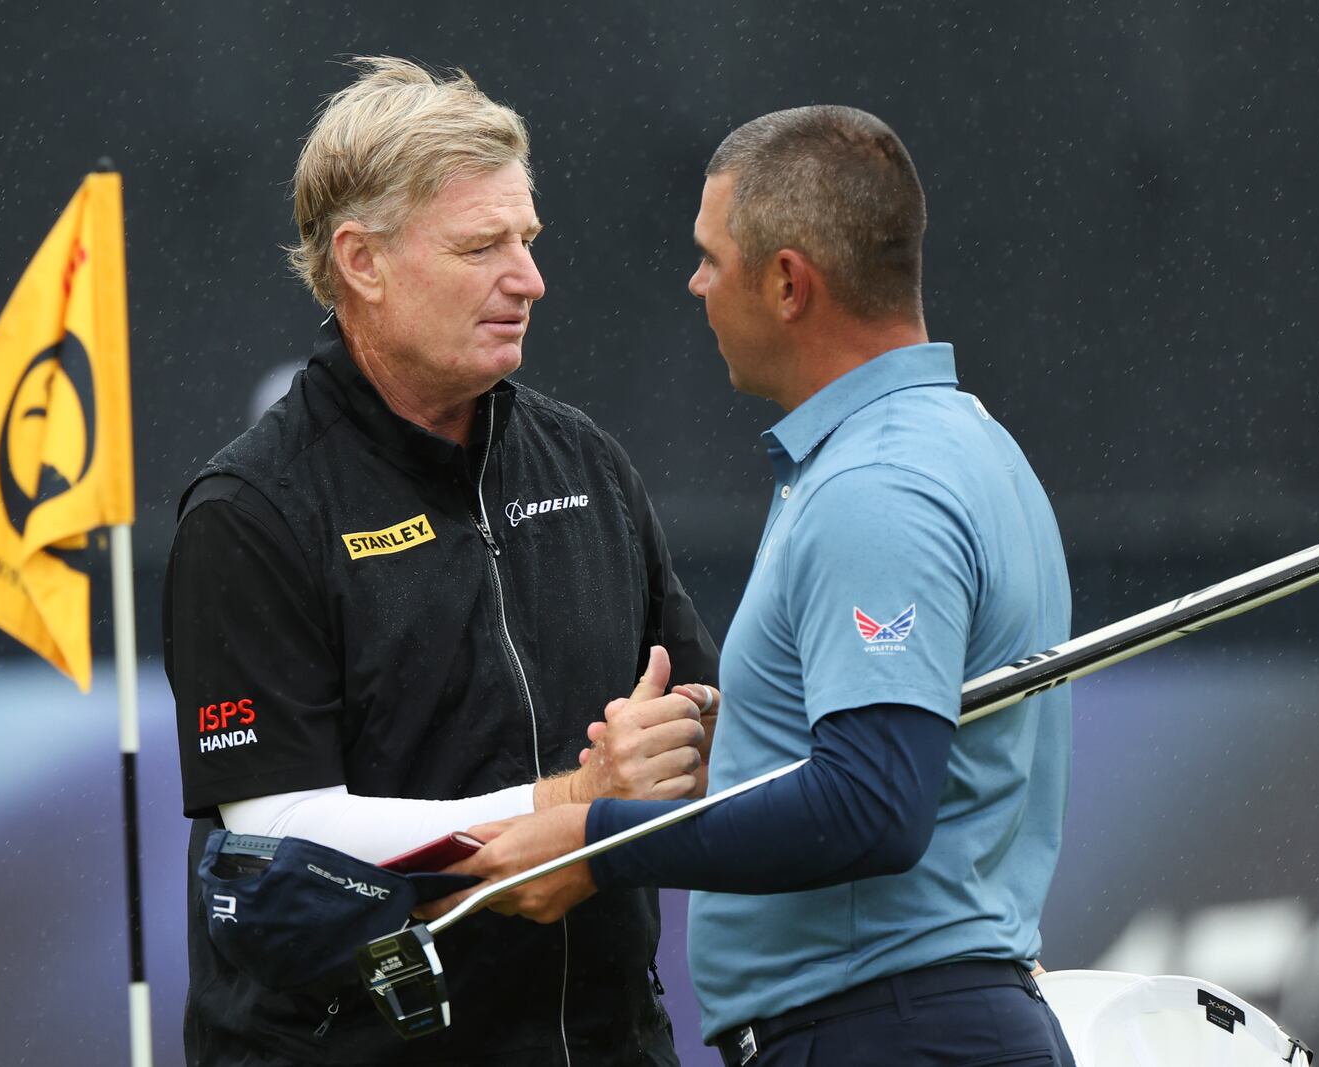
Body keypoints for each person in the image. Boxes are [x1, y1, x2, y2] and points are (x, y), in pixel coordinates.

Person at [426, 106, 1078, 1066]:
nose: (694, 285)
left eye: (710, 258)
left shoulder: (875, 489)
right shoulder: (961, 442)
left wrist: (595, 841)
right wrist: (714, 740)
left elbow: (872, 804)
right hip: (921, 1021)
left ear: (786, 282)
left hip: (882, 1032)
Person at [161, 58, 719, 1066]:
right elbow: (282, 839)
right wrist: (566, 806)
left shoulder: (586, 463)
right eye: (481, 245)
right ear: (361, 261)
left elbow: (705, 721)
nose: (529, 279)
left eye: (528, 240)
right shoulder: (252, 510)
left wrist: (689, 742)